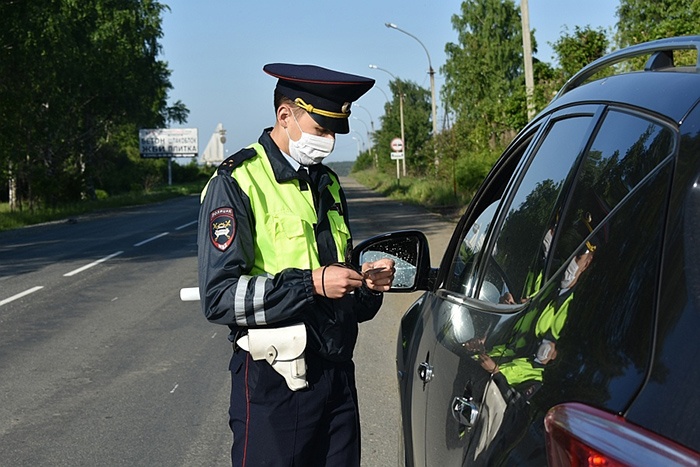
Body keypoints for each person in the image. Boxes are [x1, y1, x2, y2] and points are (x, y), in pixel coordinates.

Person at [197, 63, 395, 467]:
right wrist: (311, 284)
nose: (328, 143)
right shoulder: (237, 181)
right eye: (321, 130)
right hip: (276, 381)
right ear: (285, 116)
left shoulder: (327, 183)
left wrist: (365, 286)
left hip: (336, 375)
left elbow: (339, 290)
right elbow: (219, 298)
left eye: (333, 133)